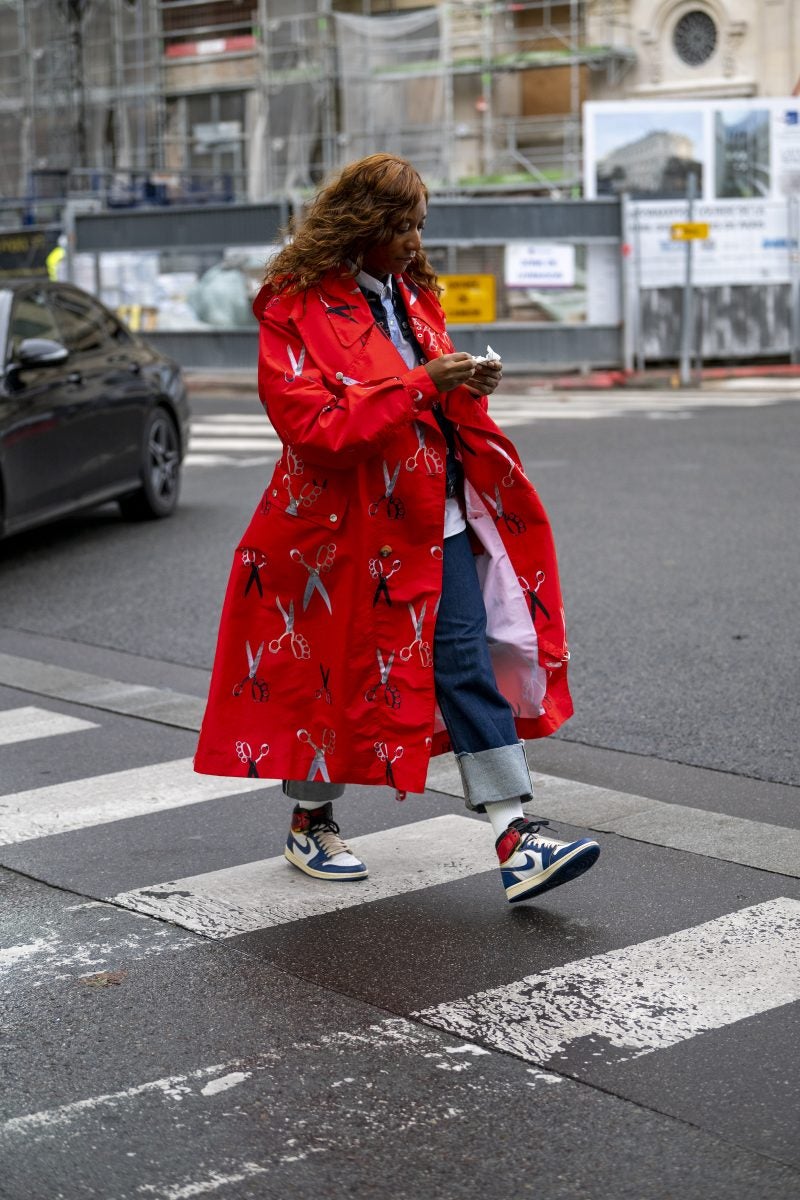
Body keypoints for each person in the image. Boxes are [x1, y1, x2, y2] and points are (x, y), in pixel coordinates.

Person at [194, 153, 599, 904]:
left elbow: (420, 390)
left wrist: (462, 382)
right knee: (330, 675)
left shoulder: (412, 294)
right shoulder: (292, 304)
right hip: (335, 536)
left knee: (464, 659)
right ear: (362, 226)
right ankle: (311, 818)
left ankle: (517, 835)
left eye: (419, 226)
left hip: (431, 515)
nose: (415, 241)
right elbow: (311, 426)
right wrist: (422, 384)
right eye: (402, 227)